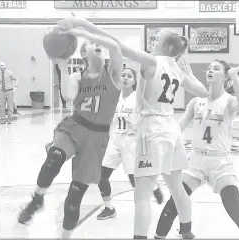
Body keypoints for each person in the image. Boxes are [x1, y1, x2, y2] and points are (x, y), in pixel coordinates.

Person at [58, 16, 208, 239]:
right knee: (177, 188)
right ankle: (186, 232)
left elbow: (115, 43)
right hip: (172, 129)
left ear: (166, 46)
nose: (153, 41)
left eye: (157, 39)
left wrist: (84, 25)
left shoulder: (153, 61)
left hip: (153, 129)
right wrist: (190, 73)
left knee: (142, 196)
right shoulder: (176, 67)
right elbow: (204, 92)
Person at [17, 25, 123, 239]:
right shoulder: (76, 76)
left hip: (97, 137)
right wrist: (63, 67)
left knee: (74, 199)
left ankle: (64, 236)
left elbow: (115, 46)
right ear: (83, 53)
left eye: (100, 46)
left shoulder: (113, 75)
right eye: (95, 46)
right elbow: (68, 96)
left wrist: (85, 32)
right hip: (75, 127)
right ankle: (37, 200)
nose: (100, 47)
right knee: (54, 159)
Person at [154, 60, 239, 239]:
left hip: (220, 163)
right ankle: (174, 234)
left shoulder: (228, 101)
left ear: (225, 77)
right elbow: (179, 128)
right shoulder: (196, 102)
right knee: (174, 204)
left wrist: (235, 76)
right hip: (195, 161)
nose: (210, 70)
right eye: (209, 68)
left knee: (235, 209)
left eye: (216, 69)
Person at [97, 67, 164, 221]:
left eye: (129, 76)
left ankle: (152, 187)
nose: (125, 78)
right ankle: (109, 208)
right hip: (115, 140)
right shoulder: (114, 97)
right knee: (101, 176)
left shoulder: (137, 99)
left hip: (131, 140)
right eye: (123, 75)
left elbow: (147, 119)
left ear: (134, 81)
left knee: (134, 180)